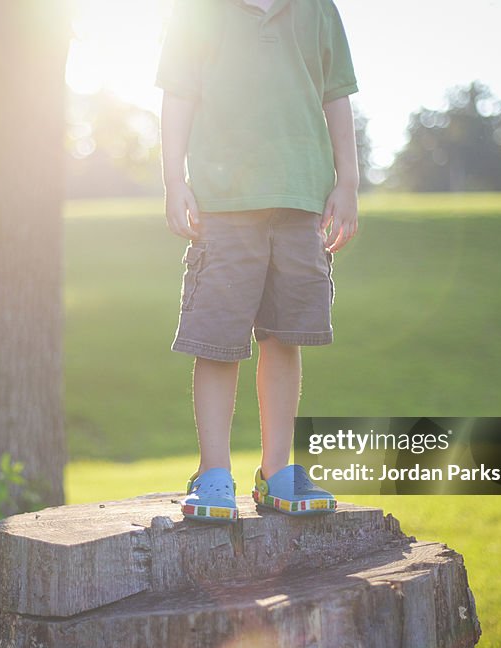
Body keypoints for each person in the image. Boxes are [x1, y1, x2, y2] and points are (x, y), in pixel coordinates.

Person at [157, 0, 359, 522]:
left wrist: (349, 183)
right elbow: (178, 94)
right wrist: (174, 180)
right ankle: (214, 473)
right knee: (217, 342)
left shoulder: (318, 9)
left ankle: (276, 472)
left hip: (300, 202)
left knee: (286, 339)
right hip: (222, 206)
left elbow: (336, 96)